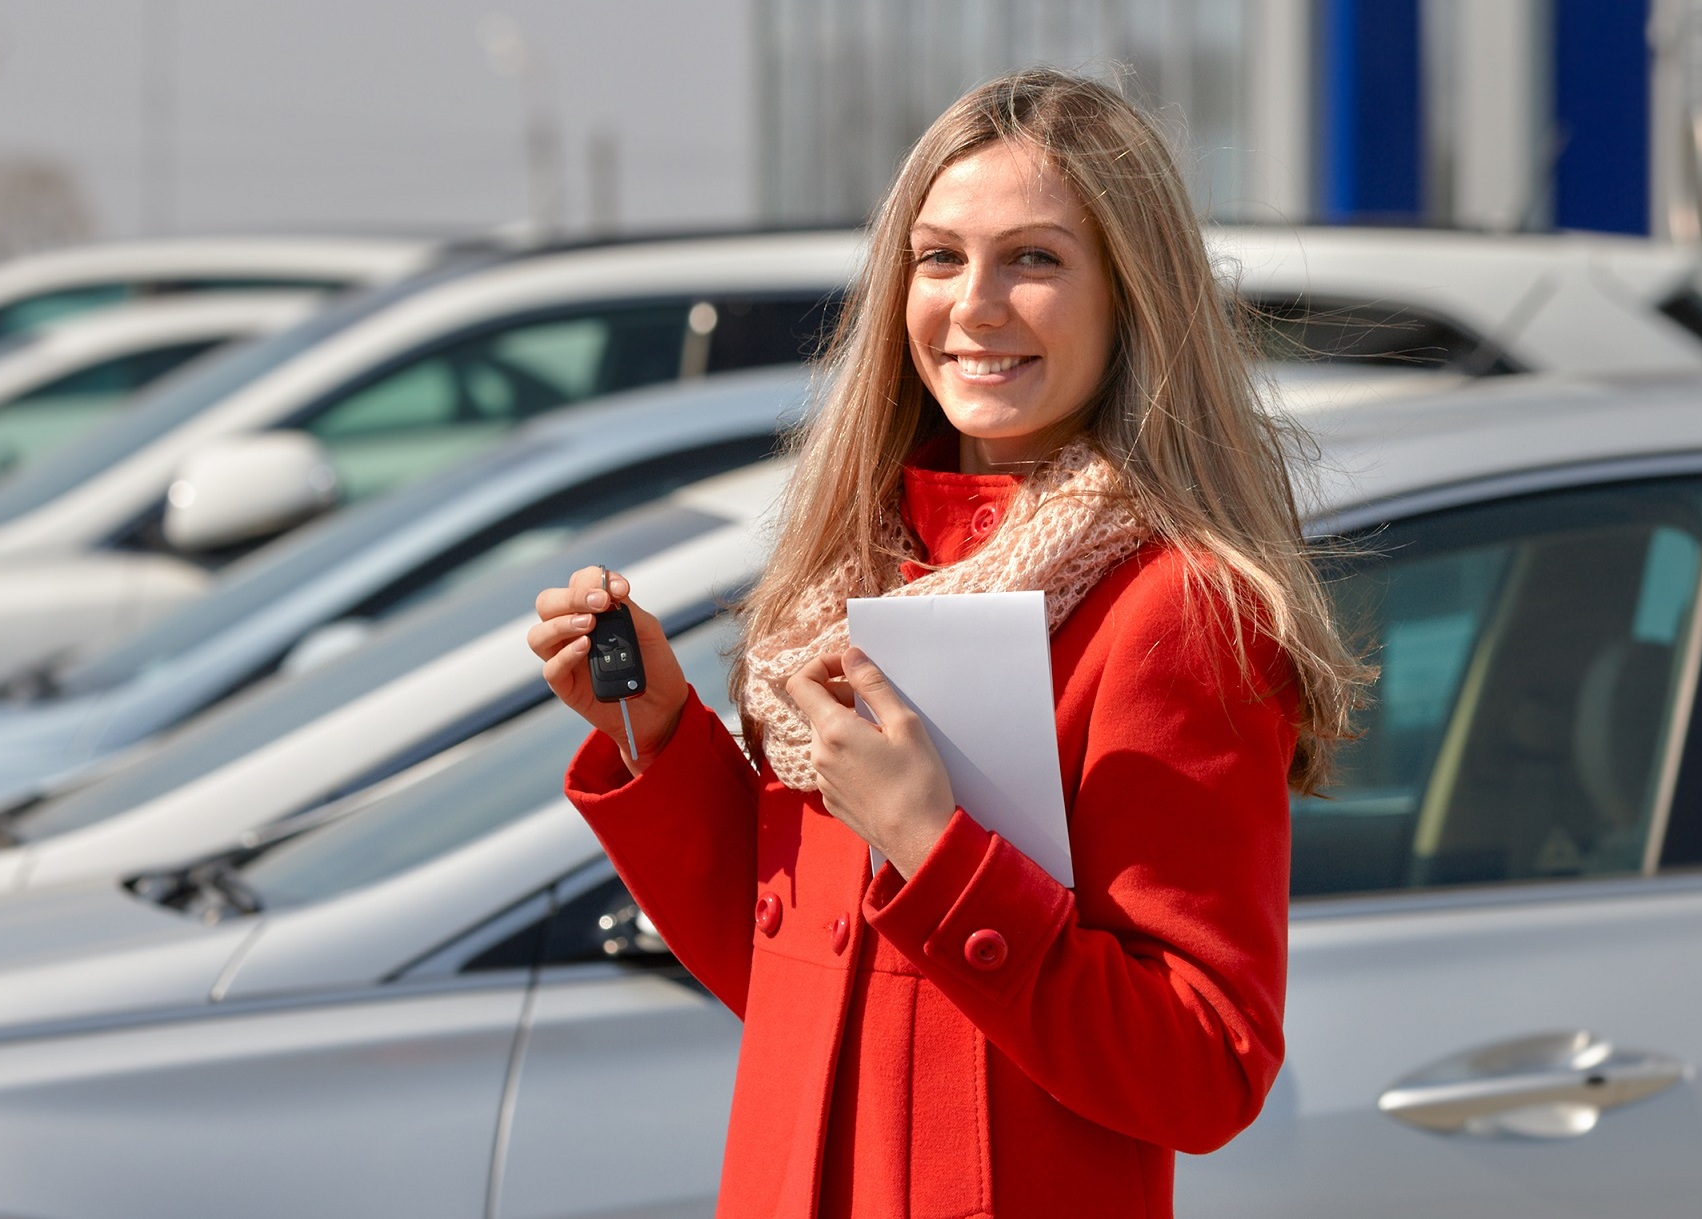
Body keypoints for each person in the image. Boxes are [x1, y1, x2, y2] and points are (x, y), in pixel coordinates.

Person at [527, 68, 1364, 1219]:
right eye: (940, 258)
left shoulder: (1174, 608)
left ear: (1132, 296)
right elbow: (794, 987)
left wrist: (933, 841)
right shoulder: (848, 577)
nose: (975, 304)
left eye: (1035, 259)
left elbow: (1206, 1068)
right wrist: (660, 735)